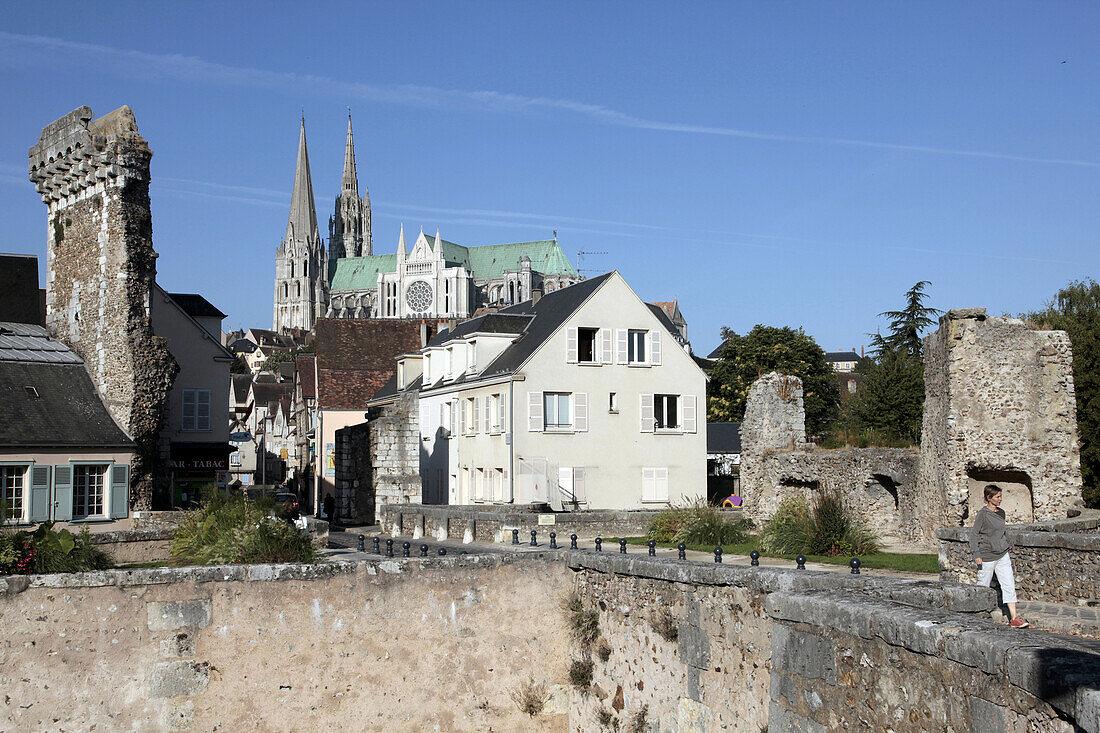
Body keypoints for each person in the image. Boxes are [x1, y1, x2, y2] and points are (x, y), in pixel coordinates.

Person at [971, 484, 1029, 628]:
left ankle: (1014, 618)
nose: (1000, 499)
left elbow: (1002, 531)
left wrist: (1007, 543)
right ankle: (978, 616)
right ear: (989, 498)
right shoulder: (982, 514)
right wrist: (976, 554)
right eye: (997, 497)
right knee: (983, 587)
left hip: (1002, 554)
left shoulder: (1001, 513)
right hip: (987, 556)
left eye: (1001, 496)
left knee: (1009, 584)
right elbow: (974, 535)